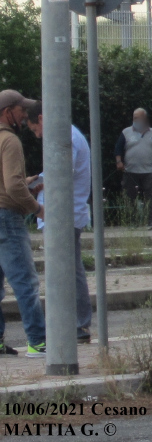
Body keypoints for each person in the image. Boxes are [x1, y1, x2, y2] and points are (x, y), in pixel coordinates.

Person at [28, 101, 94, 343]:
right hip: (63, 215)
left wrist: (35, 186)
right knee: (68, 268)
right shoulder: (69, 136)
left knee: (70, 269)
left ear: (42, 119)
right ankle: (75, 323)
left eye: (35, 129)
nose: (37, 135)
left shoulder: (67, 137)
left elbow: (61, 171)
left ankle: (79, 324)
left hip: (65, 216)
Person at [0, 89, 45, 357]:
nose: (24, 114)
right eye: (20, 109)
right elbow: (13, 187)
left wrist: (29, 182)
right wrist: (37, 208)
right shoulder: (10, 141)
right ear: (8, 113)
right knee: (25, 283)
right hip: (7, 218)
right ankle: (38, 342)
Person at [115, 108, 152, 230]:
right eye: (134, 118)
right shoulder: (126, 132)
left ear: (144, 119)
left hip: (149, 170)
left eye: (138, 118)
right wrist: (119, 162)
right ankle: (132, 222)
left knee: (151, 196)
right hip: (130, 171)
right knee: (130, 196)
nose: (135, 120)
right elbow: (118, 148)